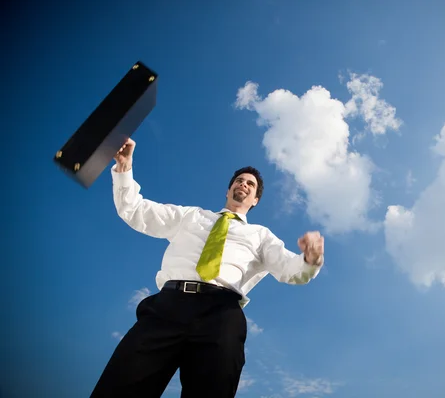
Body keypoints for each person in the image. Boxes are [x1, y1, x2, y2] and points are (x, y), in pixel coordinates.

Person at [90, 138, 325, 398]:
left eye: (250, 184)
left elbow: (290, 269)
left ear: (255, 199)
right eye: (239, 180)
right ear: (228, 190)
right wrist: (124, 168)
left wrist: (310, 260)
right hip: (168, 306)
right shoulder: (191, 216)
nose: (243, 184)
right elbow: (135, 210)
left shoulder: (261, 236)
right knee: (122, 382)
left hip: (221, 314)